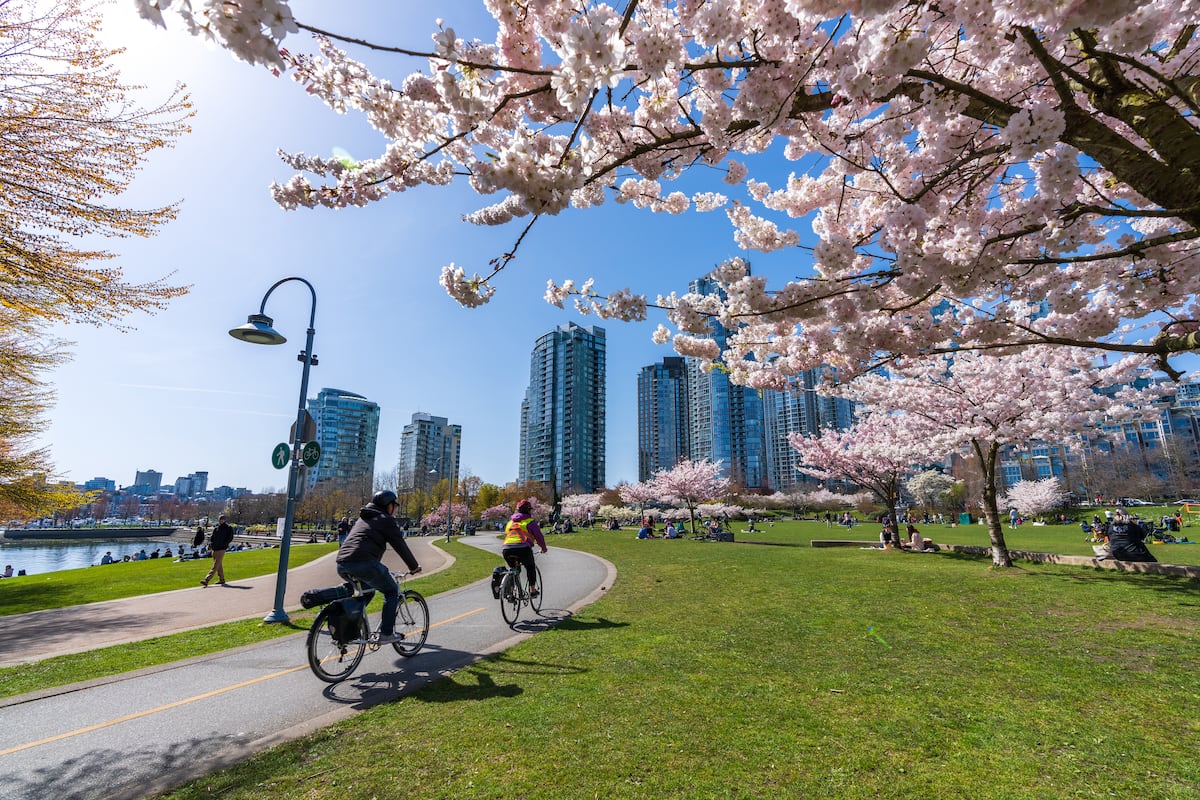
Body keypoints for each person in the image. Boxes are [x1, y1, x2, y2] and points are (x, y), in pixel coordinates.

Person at [337, 490, 422, 644]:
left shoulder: (363, 518)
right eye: (394, 505)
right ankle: (386, 633)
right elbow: (400, 545)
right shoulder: (385, 520)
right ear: (388, 505)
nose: (394, 509)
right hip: (364, 563)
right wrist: (414, 567)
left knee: (367, 591)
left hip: (342, 563)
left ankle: (349, 625)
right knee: (391, 591)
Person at [502, 499, 547, 595]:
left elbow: (507, 534)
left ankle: (511, 591)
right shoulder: (530, 522)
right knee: (530, 567)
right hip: (523, 549)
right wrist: (543, 548)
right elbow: (539, 537)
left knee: (514, 569)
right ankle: (532, 590)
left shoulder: (510, 522)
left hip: (507, 549)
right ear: (528, 510)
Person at [200, 514, 236, 587]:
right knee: (218, 565)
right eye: (220, 519)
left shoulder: (228, 528)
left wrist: (224, 544)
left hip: (222, 548)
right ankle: (221, 579)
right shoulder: (217, 528)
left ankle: (207, 579)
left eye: (222, 519)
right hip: (215, 548)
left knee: (216, 565)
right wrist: (211, 544)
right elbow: (213, 538)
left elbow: (230, 538)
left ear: (224, 520)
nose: (221, 521)